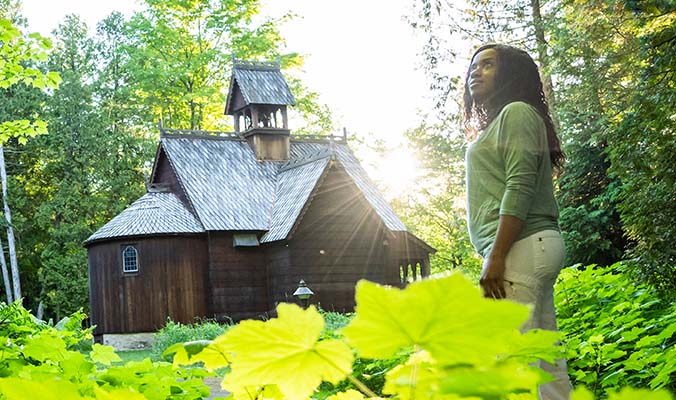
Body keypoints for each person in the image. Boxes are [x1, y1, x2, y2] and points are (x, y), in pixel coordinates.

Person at [463, 43, 572, 400]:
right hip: (529, 246)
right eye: (474, 67)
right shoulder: (504, 120)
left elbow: (520, 186)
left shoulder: (518, 112)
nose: (475, 72)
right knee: (545, 363)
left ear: (509, 73)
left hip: (520, 247)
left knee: (510, 359)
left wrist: (495, 256)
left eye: (488, 65)